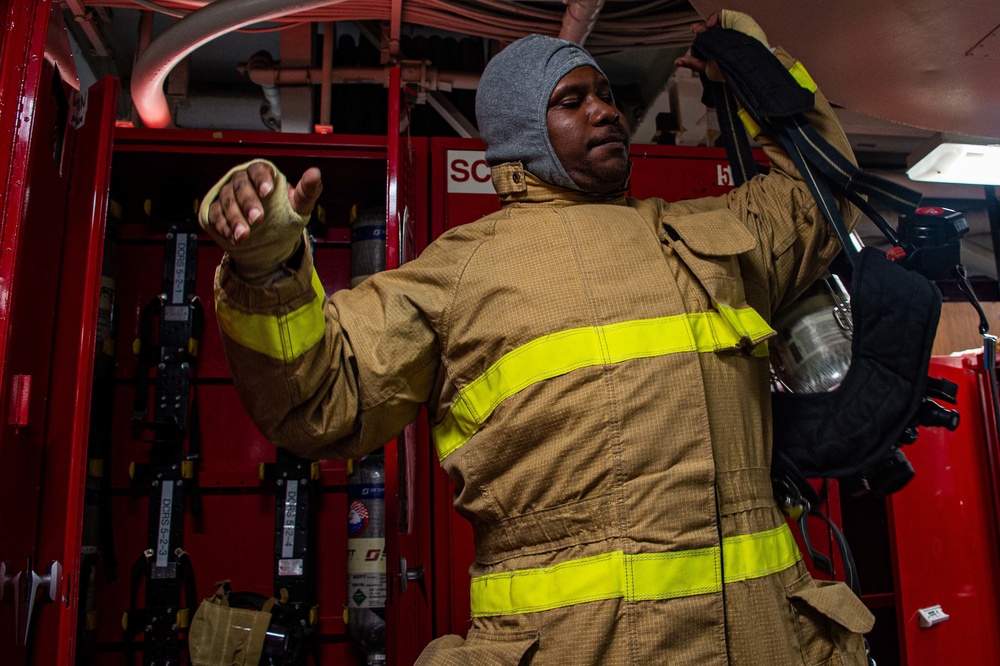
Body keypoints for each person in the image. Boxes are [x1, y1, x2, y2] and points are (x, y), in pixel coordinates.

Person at [199, 11, 875, 665]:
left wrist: (766, 79)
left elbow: (819, 196)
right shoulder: (462, 274)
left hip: (765, 642)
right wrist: (270, 271)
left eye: (606, 97)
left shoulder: (703, 242)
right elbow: (322, 400)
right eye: (571, 101)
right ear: (524, 132)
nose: (605, 112)